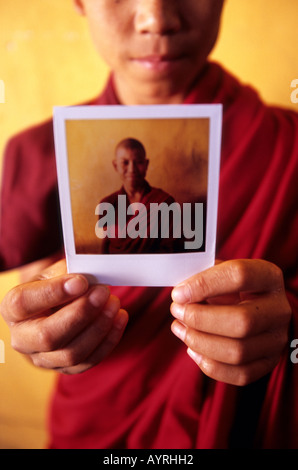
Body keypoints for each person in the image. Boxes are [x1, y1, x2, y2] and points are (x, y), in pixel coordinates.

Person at [0, 0, 297, 449]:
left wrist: (286, 330)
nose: (156, 19)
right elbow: (40, 310)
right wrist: (43, 336)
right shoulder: (42, 156)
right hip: (98, 423)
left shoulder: (287, 146)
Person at [96, 137, 184, 254]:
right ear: (115, 165)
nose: (132, 169)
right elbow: (106, 254)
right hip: (118, 271)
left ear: (146, 164)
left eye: (138, 162)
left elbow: (174, 250)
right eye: (125, 162)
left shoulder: (164, 203)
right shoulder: (107, 204)